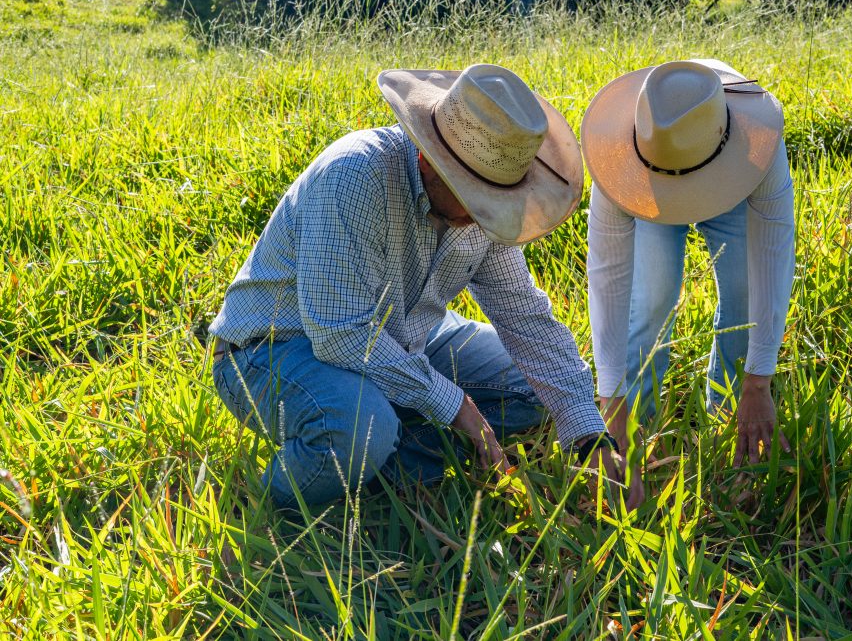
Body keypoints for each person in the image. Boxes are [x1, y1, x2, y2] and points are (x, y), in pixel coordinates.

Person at [208, 63, 630, 509]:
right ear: (430, 158)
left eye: (495, 202)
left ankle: (388, 458)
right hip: (274, 349)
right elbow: (339, 333)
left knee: (533, 390)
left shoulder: (485, 213)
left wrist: (589, 434)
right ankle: (259, 502)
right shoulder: (355, 174)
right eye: (472, 198)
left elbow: (525, 315)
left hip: (405, 336)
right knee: (361, 429)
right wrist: (457, 407)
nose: (481, 217)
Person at [582, 59, 796, 508]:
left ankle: (730, 421)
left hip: (731, 172)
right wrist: (611, 407)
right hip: (649, 181)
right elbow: (608, 279)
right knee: (652, 299)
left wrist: (759, 381)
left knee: (743, 292)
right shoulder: (621, 159)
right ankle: (638, 432)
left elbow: (772, 259)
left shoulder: (760, 147)